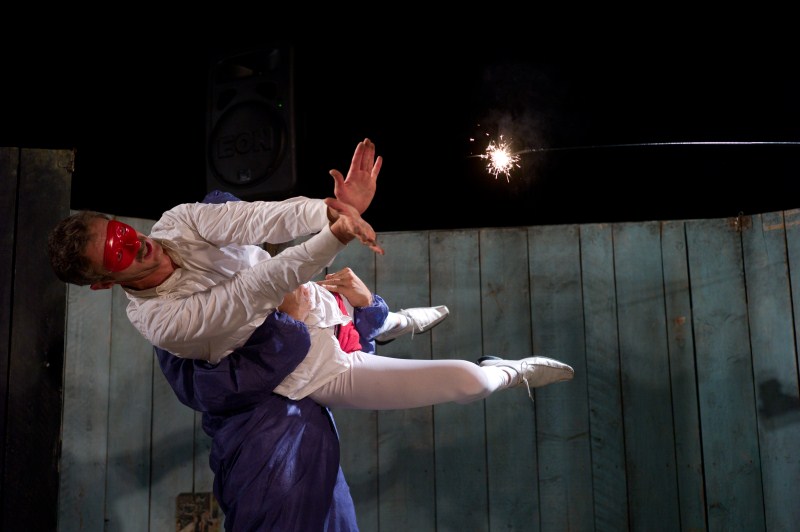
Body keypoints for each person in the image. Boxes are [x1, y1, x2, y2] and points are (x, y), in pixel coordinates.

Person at [47, 138, 574, 410]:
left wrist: (331, 211)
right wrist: (335, 235)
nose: (134, 243)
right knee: (469, 383)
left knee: (377, 316)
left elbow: (254, 219)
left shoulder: (175, 223)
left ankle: (406, 322)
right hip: (310, 365)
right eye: (116, 254)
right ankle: (507, 370)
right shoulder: (160, 323)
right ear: (105, 282)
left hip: (307, 295)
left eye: (120, 230)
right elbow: (254, 289)